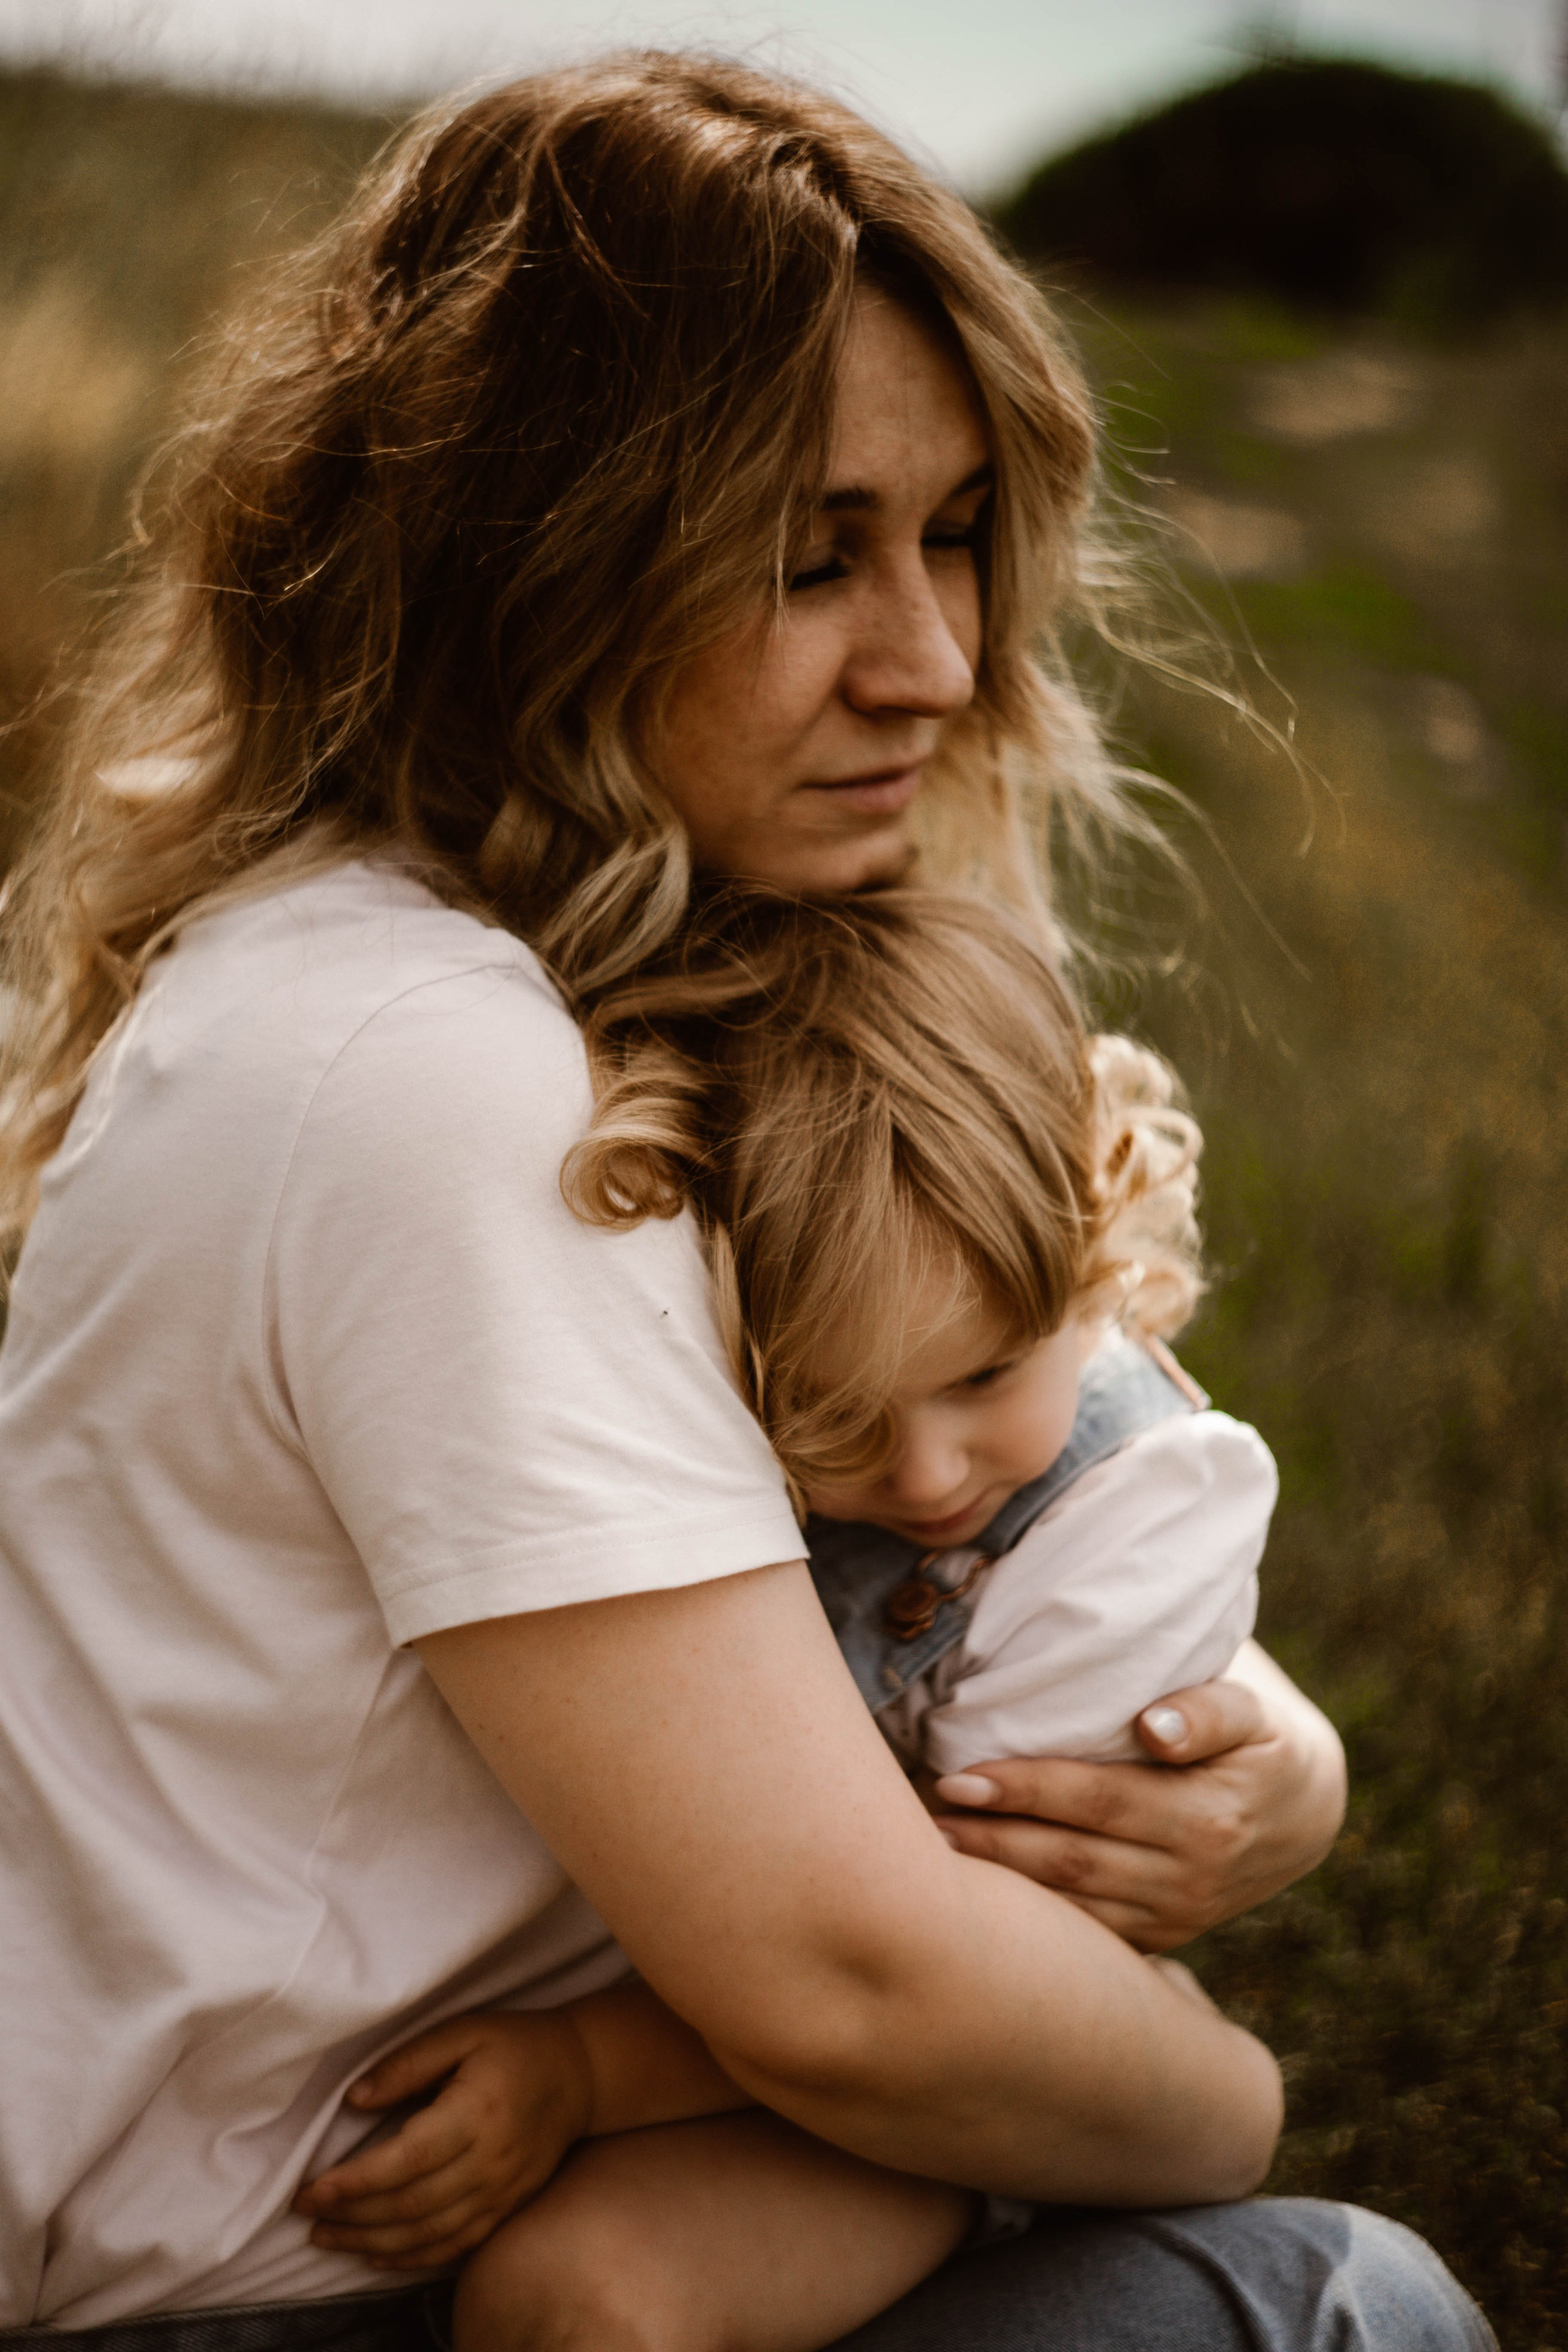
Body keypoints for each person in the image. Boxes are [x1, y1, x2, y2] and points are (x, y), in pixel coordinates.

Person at [0, 51, 1490, 2352]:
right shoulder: (432, 1066)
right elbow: (848, 1989)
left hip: (459, 2207)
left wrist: (1266, 1758)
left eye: (957, 532)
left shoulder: (598, 961)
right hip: (285, 2283)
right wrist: (1228, 2090)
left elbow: (1028, 1475)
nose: (938, 659)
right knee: (1340, 2302)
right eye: (810, 558)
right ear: (531, 559)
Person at [287, 886, 1281, 2352]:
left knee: (583, 2302)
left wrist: (581, 2072)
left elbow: (954, 1985)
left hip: (973, 2098)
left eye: (986, 1377)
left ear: (1097, 1240)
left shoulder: (1131, 1524)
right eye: (828, 1413)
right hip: (752, 2023)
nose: (927, 1476)